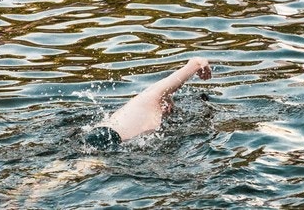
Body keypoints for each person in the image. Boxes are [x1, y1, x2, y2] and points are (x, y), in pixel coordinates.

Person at [83, 58, 212, 149]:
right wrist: (201, 63)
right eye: (169, 104)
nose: (169, 108)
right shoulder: (152, 96)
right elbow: (195, 63)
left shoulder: (150, 120)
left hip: (97, 135)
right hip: (108, 138)